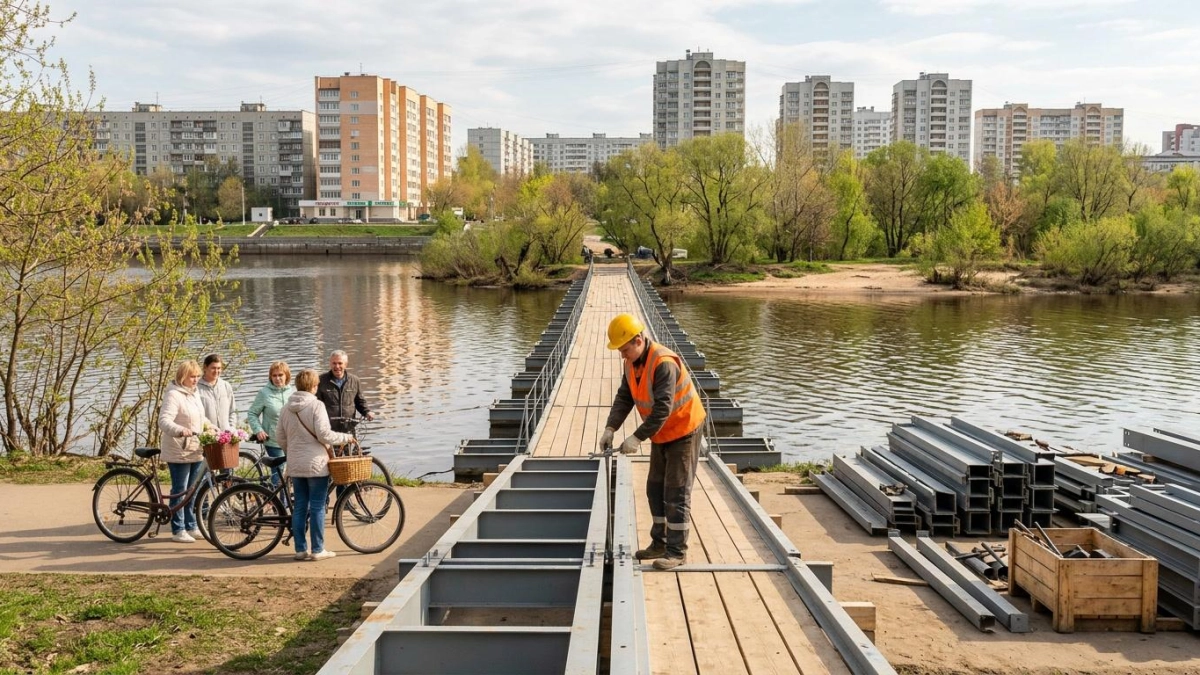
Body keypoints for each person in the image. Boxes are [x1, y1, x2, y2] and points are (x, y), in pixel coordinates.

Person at [599, 313, 707, 571]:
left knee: (676, 491)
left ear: (638, 340)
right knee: (654, 487)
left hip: (684, 429)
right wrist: (610, 427)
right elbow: (625, 397)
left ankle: (677, 551)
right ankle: (659, 543)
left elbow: (662, 409)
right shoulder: (631, 362)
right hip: (661, 431)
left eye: (624, 349)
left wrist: (636, 437)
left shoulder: (663, 363)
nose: (622, 355)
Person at [275, 369, 355, 561]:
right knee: (318, 506)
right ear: (313, 386)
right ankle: (318, 549)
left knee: (300, 506)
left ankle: (300, 549)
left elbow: (279, 437)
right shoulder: (316, 406)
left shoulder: (286, 408)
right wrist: (346, 437)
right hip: (316, 465)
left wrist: (292, 451)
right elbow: (324, 435)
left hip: (295, 464)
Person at [158, 360, 208, 544]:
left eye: (197, 376)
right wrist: (179, 430)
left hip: (195, 448)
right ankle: (178, 529)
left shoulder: (194, 394)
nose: (196, 380)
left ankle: (191, 525)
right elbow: (163, 421)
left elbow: (200, 418)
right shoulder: (173, 395)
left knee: (192, 490)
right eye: (192, 377)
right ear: (182, 377)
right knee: (180, 490)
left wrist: (212, 427)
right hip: (179, 449)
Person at [246, 361, 296, 486]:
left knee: (293, 472)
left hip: (292, 439)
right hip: (273, 440)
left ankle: (286, 502)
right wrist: (258, 430)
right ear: (270, 377)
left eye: (280, 375)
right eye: (274, 375)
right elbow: (252, 413)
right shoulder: (264, 393)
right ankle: (278, 504)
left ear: (287, 376)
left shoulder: (293, 392)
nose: (277, 378)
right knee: (278, 472)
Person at [316, 350, 374, 434]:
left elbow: (360, 401)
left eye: (340, 363)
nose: (337, 366)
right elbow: (316, 404)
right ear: (330, 364)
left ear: (346, 364)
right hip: (328, 428)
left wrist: (367, 412)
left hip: (349, 427)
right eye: (334, 363)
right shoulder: (321, 380)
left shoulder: (354, 380)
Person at [197, 353, 237, 430]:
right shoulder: (196, 388)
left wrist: (231, 428)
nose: (216, 371)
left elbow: (232, 411)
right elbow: (196, 415)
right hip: (206, 437)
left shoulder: (226, 386)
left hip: (226, 436)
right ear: (205, 367)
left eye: (219, 368)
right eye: (213, 368)